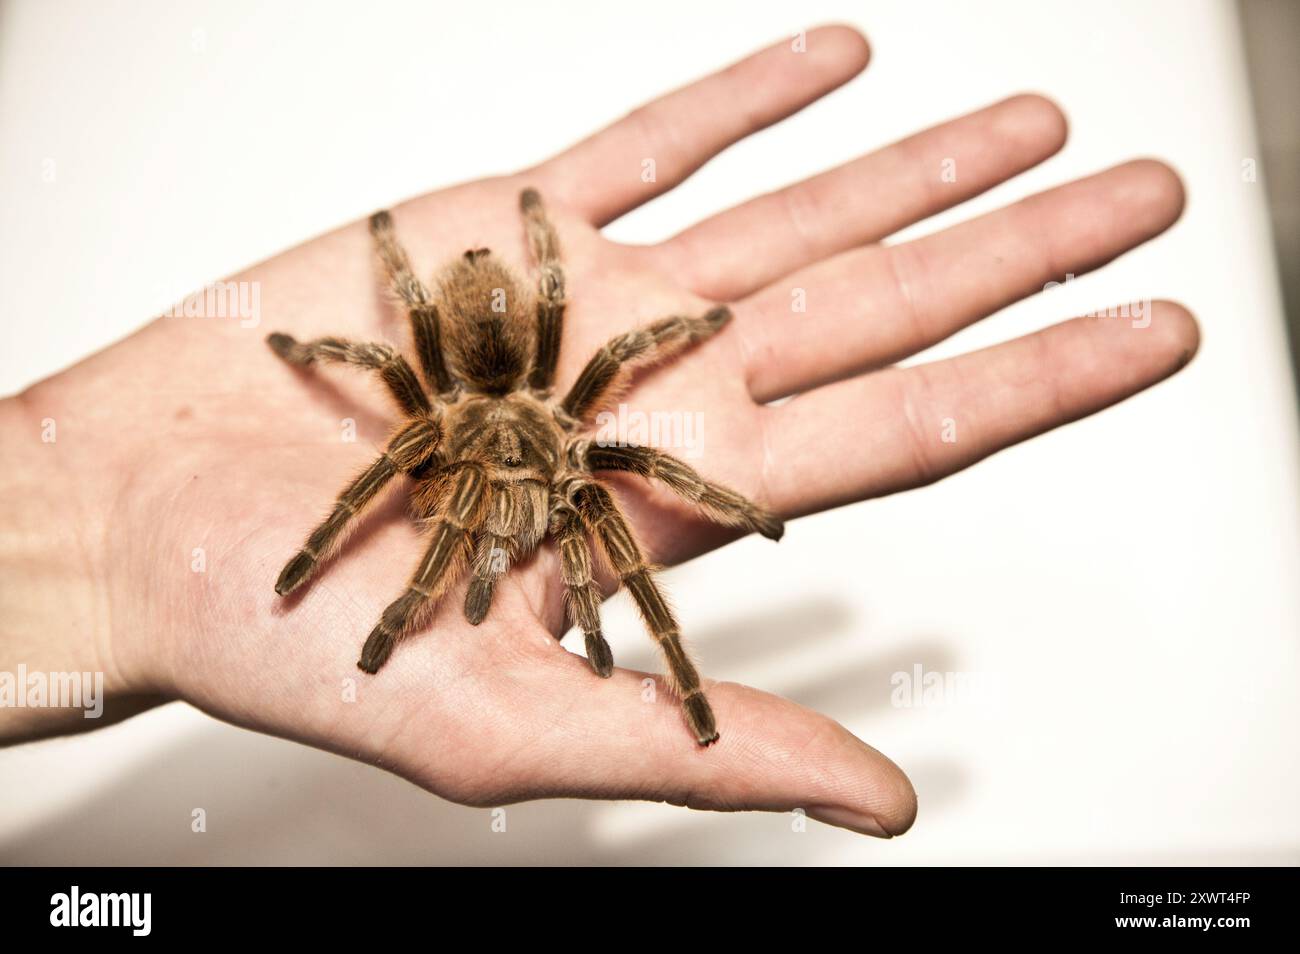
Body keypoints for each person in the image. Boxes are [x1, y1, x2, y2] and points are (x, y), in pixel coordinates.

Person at [0, 25, 1196, 839]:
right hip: (475, 387)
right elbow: (382, 364)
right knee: (392, 363)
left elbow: (633, 399)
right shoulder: (443, 426)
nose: (521, 512)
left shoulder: (579, 428)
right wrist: (333, 569)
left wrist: (736, 506)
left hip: (530, 404)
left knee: (611, 476)